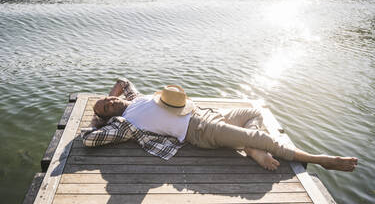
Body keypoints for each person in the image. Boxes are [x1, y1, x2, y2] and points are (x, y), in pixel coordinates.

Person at [81, 78, 358, 172]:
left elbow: (123, 81)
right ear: (108, 116)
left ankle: (250, 149)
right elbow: (89, 140)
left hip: (207, 113)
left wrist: (110, 97)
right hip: (200, 131)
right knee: (259, 136)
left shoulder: (135, 98)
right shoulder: (126, 123)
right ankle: (320, 159)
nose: (109, 101)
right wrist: (98, 118)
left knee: (252, 113)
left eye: (107, 98)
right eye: (105, 106)